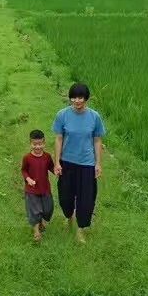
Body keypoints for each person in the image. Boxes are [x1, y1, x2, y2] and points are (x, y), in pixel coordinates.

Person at [53, 82, 105, 243]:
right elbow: (59, 138)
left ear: (86, 99)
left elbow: (97, 140)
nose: (77, 101)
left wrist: (98, 163)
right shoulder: (62, 115)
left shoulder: (94, 117)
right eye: (74, 97)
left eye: (80, 97)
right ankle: (69, 218)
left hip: (87, 163)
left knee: (86, 198)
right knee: (65, 197)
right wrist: (57, 162)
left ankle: (81, 229)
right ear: (70, 99)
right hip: (67, 161)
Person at [20, 129, 57, 241]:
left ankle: (41, 221)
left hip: (45, 188)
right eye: (34, 144)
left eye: (40, 144)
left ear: (44, 143)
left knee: (48, 209)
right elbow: (24, 170)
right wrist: (28, 178)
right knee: (34, 210)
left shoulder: (47, 156)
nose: (37, 147)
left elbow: (52, 167)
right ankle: (36, 231)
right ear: (30, 143)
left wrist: (57, 171)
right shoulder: (27, 158)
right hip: (32, 190)